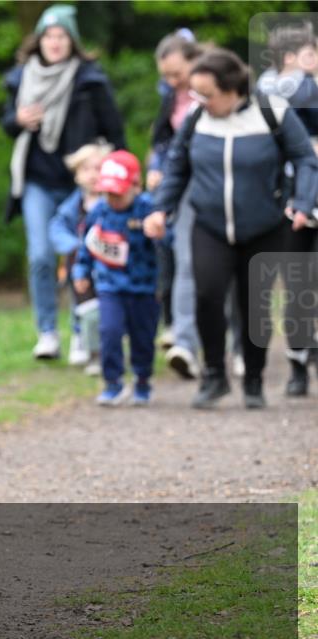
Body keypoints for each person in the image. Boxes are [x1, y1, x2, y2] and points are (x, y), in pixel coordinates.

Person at [144, 49, 318, 409]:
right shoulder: (197, 117)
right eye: (196, 93)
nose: (200, 101)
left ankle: (253, 379)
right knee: (207, 294)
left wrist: (303, 202)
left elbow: (305, 158)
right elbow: (177, 165)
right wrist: (161, 209)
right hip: (210, 225)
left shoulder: (271, 111)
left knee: (254, 305)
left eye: (207, 94)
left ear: (232, 89)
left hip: (264, 226)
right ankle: (214, 376)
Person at [1, 4, 126, 361]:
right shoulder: (21, 78)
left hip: (81, 185)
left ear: (72, 41)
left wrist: (120, 176)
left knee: (80, 254)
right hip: (36, 182)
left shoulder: (90, 79)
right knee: (41, 256)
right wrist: (18, 120)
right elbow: (7, 124)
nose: (55, 42)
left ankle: (81, 333)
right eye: (49, 36)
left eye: (62, 36)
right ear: (39, 41)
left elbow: (114, 131)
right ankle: (47, 333)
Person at [72, 151, 161, 406]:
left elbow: (169, 242)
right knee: (109, 331)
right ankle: (113, 383)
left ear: (136, 186)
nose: (112, 199)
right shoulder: (99, 212)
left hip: (144, 289)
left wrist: (158, 233)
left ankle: (142, 380)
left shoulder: (148, 209)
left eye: (118, 194)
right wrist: (81, 271)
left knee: (143, 338)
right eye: (107, 193)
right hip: (109, 286)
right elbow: (87, 245)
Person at [258, 22, 318, 396]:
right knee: (296, 285)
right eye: (312, 53)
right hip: (291, 199)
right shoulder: (270, 94)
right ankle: (298, 364)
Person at [147, 30, 204, 380]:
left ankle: (238, 346)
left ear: (195, 61)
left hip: (222, 183)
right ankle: (184, 343)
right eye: (165, 75)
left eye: (176, 73)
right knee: (185, 261)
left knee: (228, 268)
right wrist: (157, 171)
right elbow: (164, 142)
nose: (171, 81)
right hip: (184, 184)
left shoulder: (221, 86)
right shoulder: (170, 96)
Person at [48, 142, 113, 373]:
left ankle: (105, 347)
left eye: (98, 168)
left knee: (107, 306)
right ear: (76, 175)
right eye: (86, 169)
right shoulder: (71, 207)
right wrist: (75, 246)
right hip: (81, 267)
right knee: (82, 302)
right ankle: (80, 336)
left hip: (109, 265)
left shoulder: (112, 202)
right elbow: (56, 229)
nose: (93, 175)